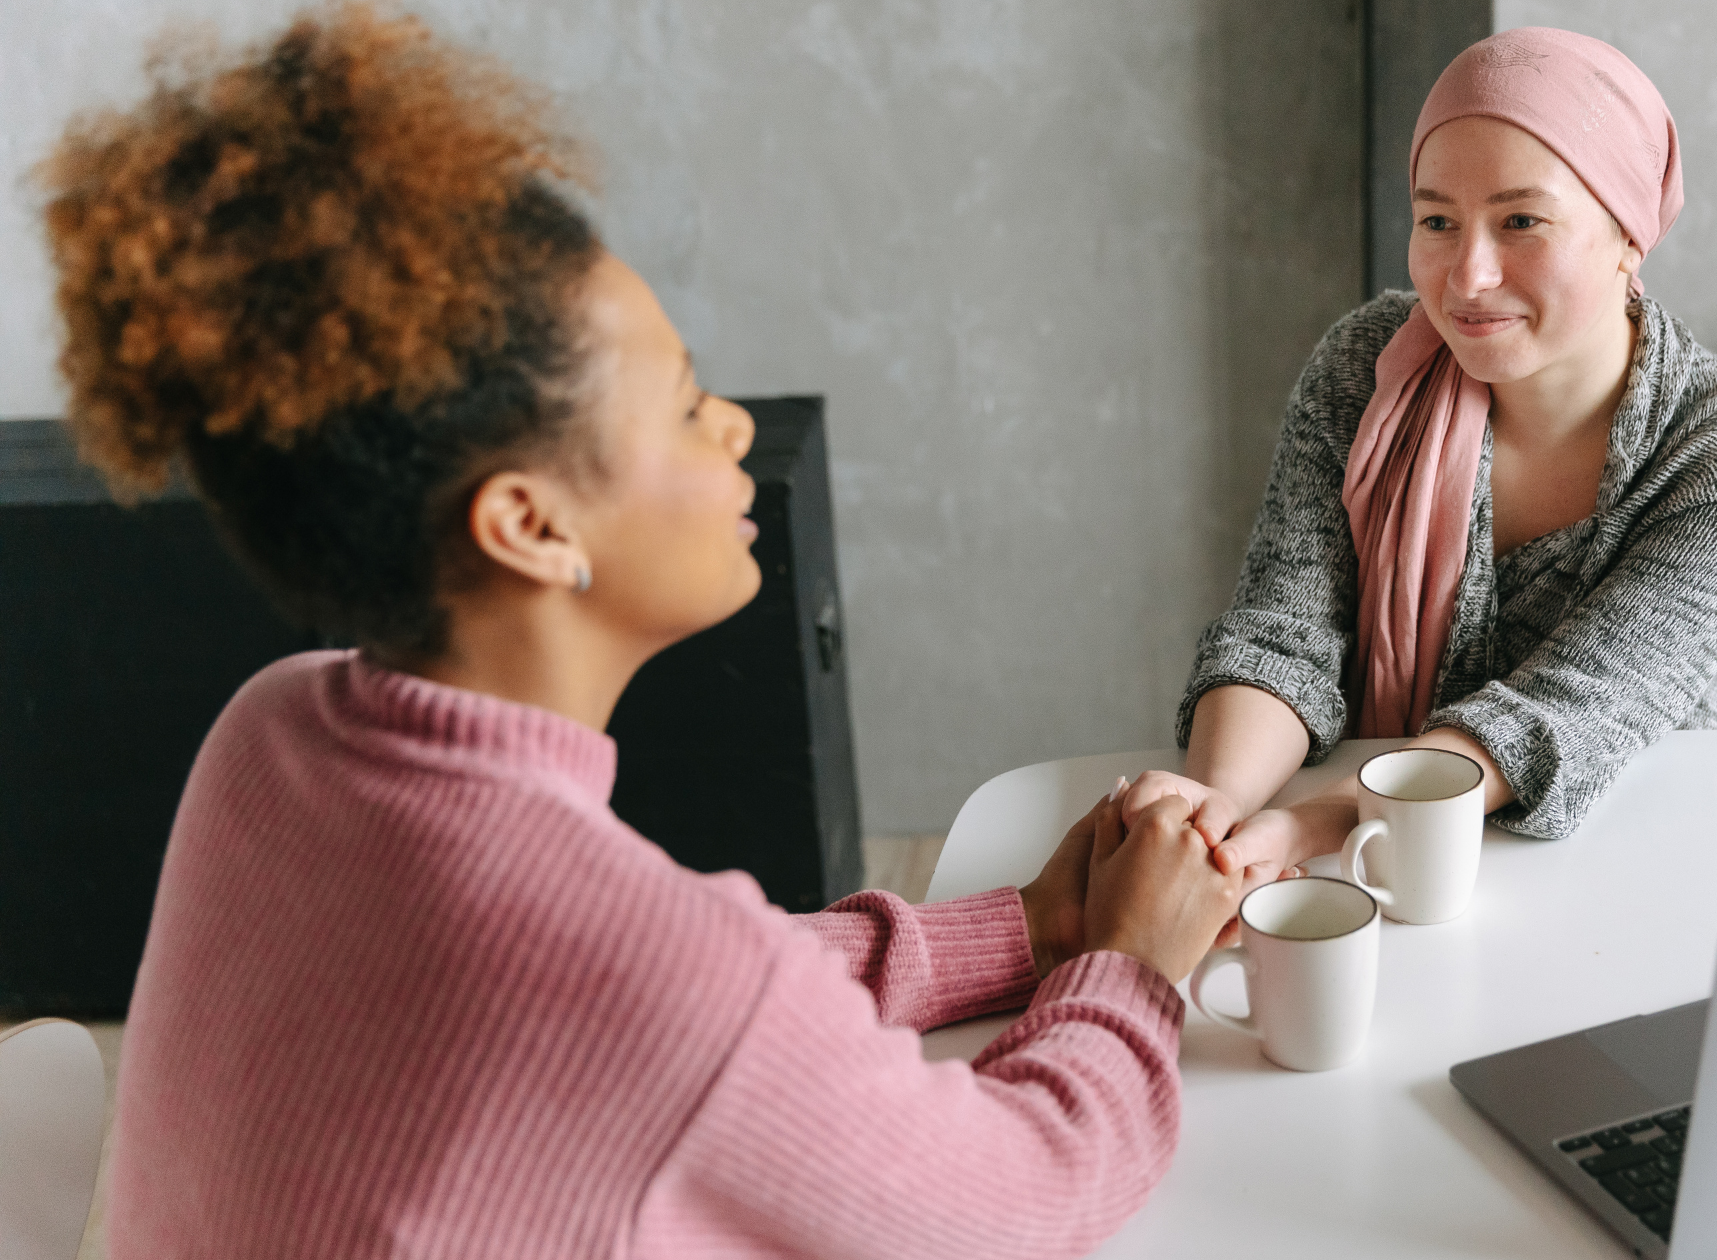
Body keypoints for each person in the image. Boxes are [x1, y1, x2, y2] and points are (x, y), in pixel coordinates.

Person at [45, 9, 1240, 1257]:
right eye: (680, 405)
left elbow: (699, 1002)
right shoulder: (631, 968)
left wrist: (1024, 932)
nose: (729, 429)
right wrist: (1132, 964)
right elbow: (1031, 1193)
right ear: (529, 524)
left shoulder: (273, 729)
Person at [1124, 28, 1717, 877]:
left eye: (1521, 220)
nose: (1466, 277)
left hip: (1629, 867)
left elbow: (1572, 709)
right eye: (1436, 222)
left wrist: (1321, 823)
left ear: (1630, 233)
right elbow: (1283, 637)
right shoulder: (1367, 367)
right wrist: (1219, 810)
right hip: (1383, 873)